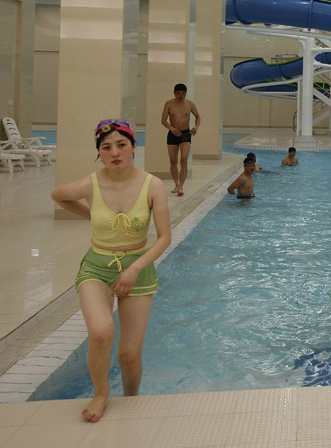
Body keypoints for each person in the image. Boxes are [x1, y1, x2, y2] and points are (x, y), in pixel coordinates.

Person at [50, 119, 171, 423]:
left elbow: (165, 237)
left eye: (121, 145)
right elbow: (58, 195)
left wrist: (135, 268)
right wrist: (91, 214)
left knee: (129, 356)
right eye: (106, 147)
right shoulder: (91, 184)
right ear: (99, 153)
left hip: (138, 270)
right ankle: (101, 392)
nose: (115, 152)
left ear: (133, 147)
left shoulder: (152, 185)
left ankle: (131, 398)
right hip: (96, 268)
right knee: (102, 332)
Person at [161, 83, 200, 196]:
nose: (180, 95)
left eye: (183, 93)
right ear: (174, 93)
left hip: (185, 134)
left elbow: (198, 116)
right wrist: (171, 128)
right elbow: (163, 120)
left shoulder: (190, 104)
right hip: (173, 134)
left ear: (185, 93)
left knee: (184, 160)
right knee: (173, 161)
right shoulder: (168, 104)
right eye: (178, 93)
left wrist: (196, 127)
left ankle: (181, 186)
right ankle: (176, 184)